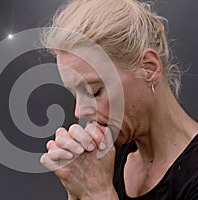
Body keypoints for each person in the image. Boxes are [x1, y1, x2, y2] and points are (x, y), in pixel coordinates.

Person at [40, 0, 198, 199]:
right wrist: (76, 190)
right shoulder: (104, 159)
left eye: (94, 91)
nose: (78, 112)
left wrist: (98, 192)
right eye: (75, 93)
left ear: (149, 68)